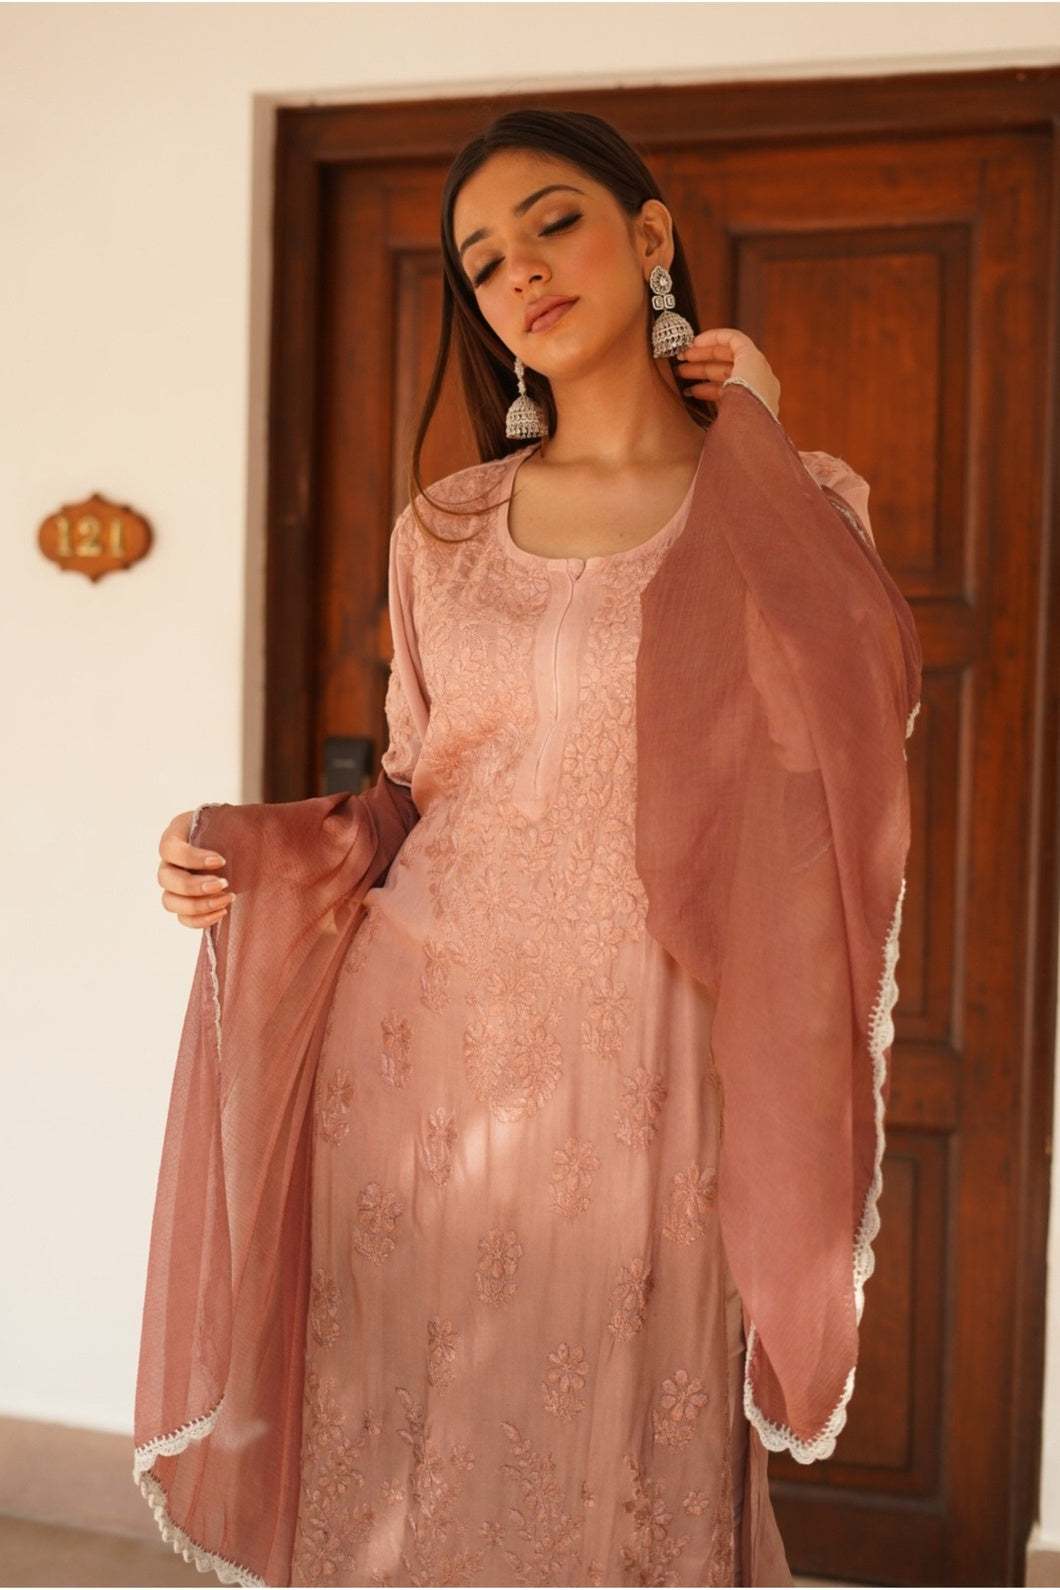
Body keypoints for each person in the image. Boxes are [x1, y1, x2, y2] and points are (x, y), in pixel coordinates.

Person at [143, 108, 918, 1590]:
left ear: (648, 236)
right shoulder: (444, 526)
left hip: (660, 1071)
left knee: (628, 1465)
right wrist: (232, 848)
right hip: (421, 1058)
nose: (519, 275)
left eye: (554, 224)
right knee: (403, 1460)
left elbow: (856, 724)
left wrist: (750, 428)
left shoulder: (794, 502)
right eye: (483, 261)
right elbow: (412, 790)